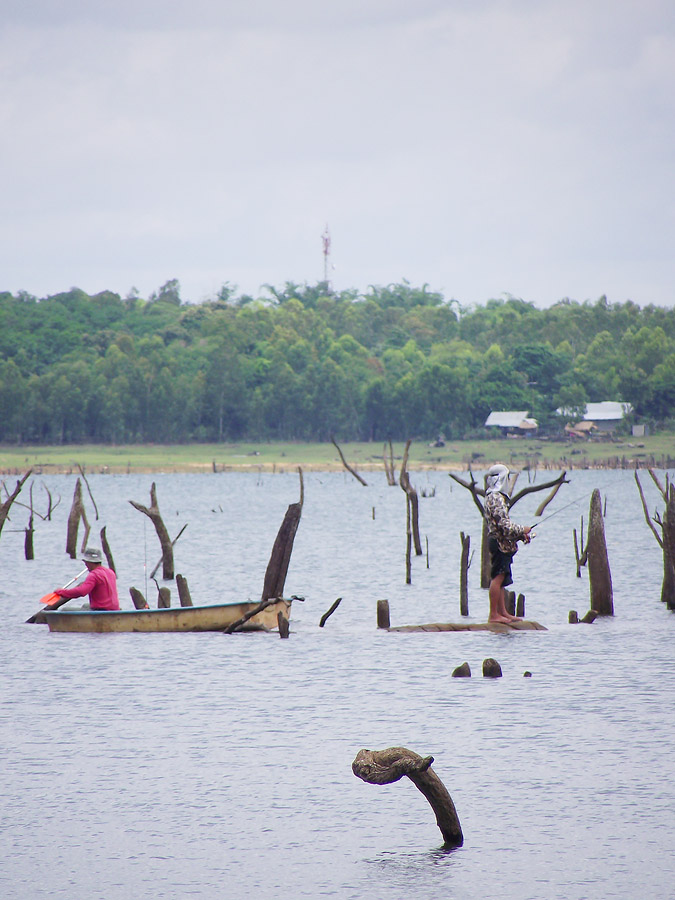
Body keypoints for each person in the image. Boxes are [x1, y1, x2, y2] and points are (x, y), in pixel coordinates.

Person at [484, 464, 532, 624]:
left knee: (502, 577)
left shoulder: (493, 496)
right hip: (498, 542)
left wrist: (519, 535)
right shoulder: (496, 498)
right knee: (498, 577)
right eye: (507, 478)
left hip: (500, 541)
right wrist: (522, 529)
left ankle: (502, 612)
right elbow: (504, 525)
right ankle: (494, 615)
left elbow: (504, 528)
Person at [54, 547, 120, 610]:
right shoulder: (110, 572)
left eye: (85, 562)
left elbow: (81, 592)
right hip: (113, 608)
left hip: (101, 610)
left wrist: (61, 592)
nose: (85, 564)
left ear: (89, 562)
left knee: (65, 610)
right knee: (85, 605)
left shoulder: (94, 575)